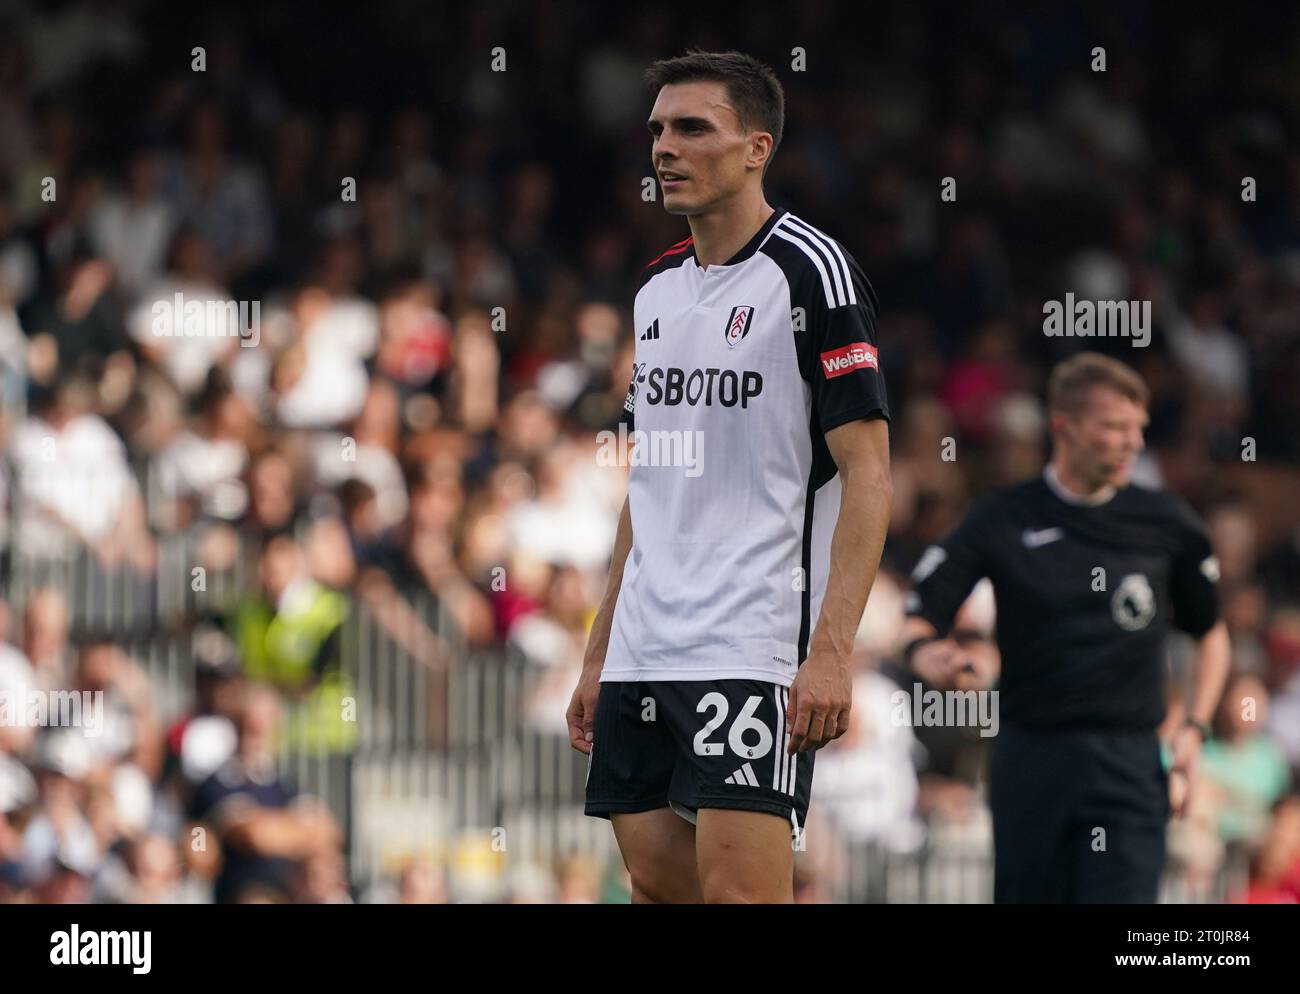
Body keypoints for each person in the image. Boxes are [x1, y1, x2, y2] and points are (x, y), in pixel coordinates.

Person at [568, 51, 892, 904]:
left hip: (753, 640)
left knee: (742, 895)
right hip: (645, 638)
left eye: (691, 129)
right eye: (658, 131)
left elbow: (869, 475)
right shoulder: (656, 291)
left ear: (756, 149)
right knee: (652, 883)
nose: (664, 148)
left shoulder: (811, 272)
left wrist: (829, 654)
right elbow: (651, 482)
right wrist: (600, 648)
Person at [900, 351, 1231, 903]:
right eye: (1114, 427)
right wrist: (924, 653)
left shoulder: (1167, 522)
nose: (1132, 442)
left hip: (1128, 763)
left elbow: (1211, 634)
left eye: (1138, 429)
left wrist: (1194, 730)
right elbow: (922, 611)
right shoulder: (1004, 516)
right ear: (1064, 427)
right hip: (1032, 757)